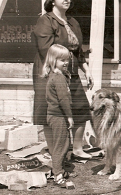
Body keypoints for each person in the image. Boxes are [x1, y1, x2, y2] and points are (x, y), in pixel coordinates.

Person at [32, 0, 94, 160]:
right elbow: (47, 49)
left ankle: (78, 149)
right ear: (52, 1)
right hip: (49, 73)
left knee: (80, 109)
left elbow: (79, 51)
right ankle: (55, 151)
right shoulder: (45, 21)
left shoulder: (72, 22)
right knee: (51, 112)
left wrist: (86, 71)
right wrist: (60, 71)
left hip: (71, 71)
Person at [43, 44, 75, 187]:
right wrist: (69, 116)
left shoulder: (54, 75)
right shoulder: (59, 78)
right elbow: (63, 100)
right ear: (52, 60)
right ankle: (58, 175)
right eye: (62, 60)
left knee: (63, 144)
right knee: (61, 146)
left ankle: (59, 170)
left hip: (54, 115)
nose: (66, 62)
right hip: (59, 116)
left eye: (67, 59)